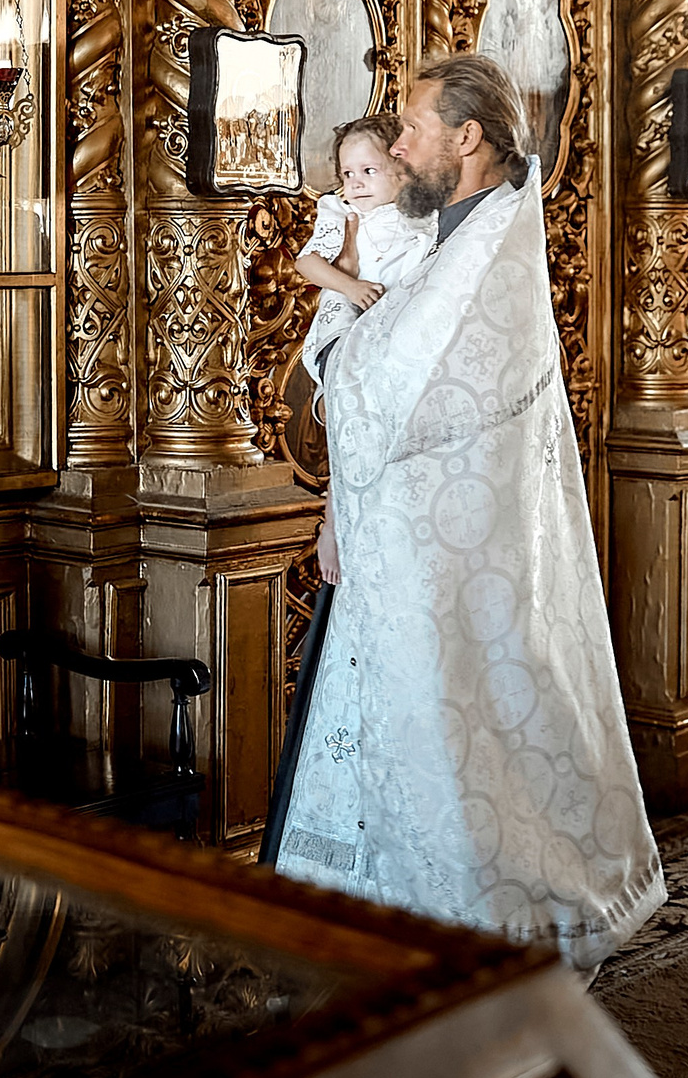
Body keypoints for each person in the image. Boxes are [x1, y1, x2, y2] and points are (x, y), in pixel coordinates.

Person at [263, 52, 664, 978]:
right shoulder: (449, 232)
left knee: (473, 759)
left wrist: (343, 332)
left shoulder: (491, 248)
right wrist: (337, 512)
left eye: (411, 128)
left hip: (459, 565)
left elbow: (381, 388)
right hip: (411, 549)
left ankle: (482, 945)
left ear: (467, 136)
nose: (397, 146)